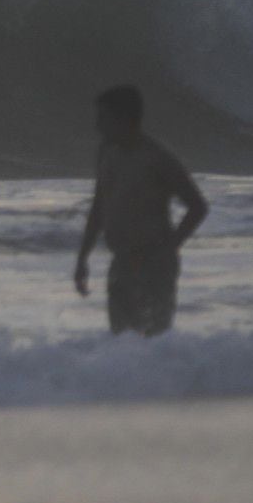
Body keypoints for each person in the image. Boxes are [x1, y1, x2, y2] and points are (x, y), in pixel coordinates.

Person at [73, 84, 209, 336]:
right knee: (121, 343)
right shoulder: (106, 153)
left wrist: (169, 248)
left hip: (154, 265)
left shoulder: (157, 158)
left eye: (103, 118)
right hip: (122, 262)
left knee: (153, 340)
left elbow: (198, 207)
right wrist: (82, 259)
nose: (97, 126)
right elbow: (98, 208)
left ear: (124, 119)